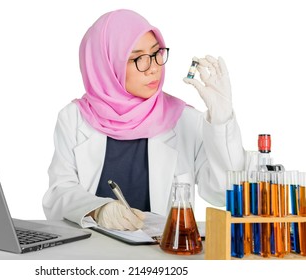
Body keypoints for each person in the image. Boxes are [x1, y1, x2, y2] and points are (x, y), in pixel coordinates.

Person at [42, 9, 244, 231]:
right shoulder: (74, 119)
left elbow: (221, 193)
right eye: (138, 58)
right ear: (106, 64)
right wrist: (98, 210)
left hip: (161, 255)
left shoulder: (184, 119)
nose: (154, 68)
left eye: (157, 53)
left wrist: (222, 120)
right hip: (89, 253)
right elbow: (58, 193)